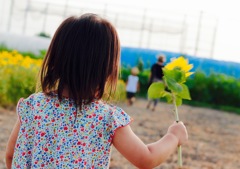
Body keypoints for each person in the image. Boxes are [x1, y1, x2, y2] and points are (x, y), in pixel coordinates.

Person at [5, 14, 188, 169]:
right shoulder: (106, 118)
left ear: (55, 59)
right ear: (108, 69)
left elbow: (11, 155)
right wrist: (173, 136)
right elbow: (146, 158)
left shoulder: (33, 106)